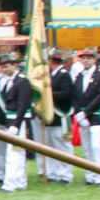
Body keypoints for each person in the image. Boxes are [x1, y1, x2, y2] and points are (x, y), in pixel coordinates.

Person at [71, 49, 100, 185]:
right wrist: (78, 113)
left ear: (94, 59)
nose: (85, 61)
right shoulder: (79, 76)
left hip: (95, 115)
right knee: (86, 147)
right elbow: (74, 96)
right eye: (83, 58)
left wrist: (86, 112)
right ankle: (90, 175)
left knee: (97, 147)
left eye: (88, 58)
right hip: (82, 117)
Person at [0, 52, 32, 192]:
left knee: (13, 153)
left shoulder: (22, 81)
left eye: (7, 66)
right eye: (3, 67)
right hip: (10, 120)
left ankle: (10, 184)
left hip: (18, 121)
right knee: (17, 152)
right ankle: (20, 181)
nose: (4, 69)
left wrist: (16, 124)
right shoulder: (7, 81)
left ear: (15, 65)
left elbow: (23, 105)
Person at [41, 48, 74, 183]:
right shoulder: (51, 75)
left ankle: (65, 174)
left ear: (52, 61)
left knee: (62, 146)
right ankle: (54, 172)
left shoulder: (63, 74)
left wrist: (48, 94)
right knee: (52, 146)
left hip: (61, 115)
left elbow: (66, 94)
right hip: (51, 116)